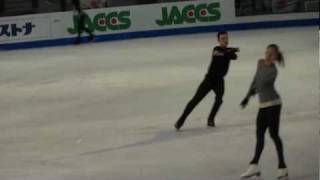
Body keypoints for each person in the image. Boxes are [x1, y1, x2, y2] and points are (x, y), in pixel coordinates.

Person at [240, 44, 288, 180]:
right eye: (266, 52)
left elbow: (261, 84)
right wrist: (247, 97)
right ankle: (254, 165)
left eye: (271, 53)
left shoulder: (273, 71)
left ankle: (282, 167)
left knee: (274, 135)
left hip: (273, 104)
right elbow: (255, 80)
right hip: (263, 106)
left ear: (275, 56)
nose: (267, 55)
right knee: (259, 134)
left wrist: (252, 92)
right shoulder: (260, 63)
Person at [175, 31, 239, 130]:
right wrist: (230, 51)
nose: (225, 40)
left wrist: (230, 51)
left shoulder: (228, 52)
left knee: (219, 99)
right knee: (195, 100)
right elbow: (221, 54)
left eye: (226, 38)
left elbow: (235, 56)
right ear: (218, 40)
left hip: (219, 81)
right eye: (222, 38)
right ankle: (182, 119)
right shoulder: (216, 49)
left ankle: (211, 119)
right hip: (209, 80)